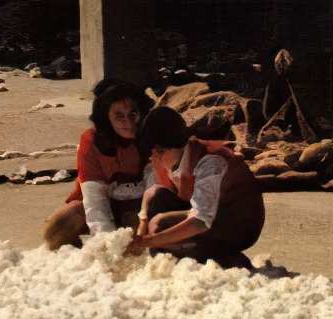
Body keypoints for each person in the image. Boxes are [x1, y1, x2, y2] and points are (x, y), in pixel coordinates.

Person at [131, 106, 265, 265]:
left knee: (159, 226)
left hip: (237, 225)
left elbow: (200, 221)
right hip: (214, 214)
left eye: (154, 154)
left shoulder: (210, 161)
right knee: (157, 200)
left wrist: (148, 241)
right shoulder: (180, 157)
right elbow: (154, 192)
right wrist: (143, 219)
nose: (154, 160)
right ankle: (190, 251)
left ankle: (226, 258)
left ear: (161, 148)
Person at [43, 79, 154, 249]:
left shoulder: (150, 138)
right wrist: (107, 242)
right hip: (102, 204)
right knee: (62, 225)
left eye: (132, 115)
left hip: (140, 207)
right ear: (106, 117)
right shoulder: (90, 143)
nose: (127, 121)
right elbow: (94, 201)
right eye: (119, 117)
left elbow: (155, 187)